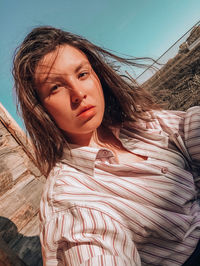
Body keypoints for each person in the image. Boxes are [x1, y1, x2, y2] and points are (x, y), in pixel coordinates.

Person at [13, 26, 200, 266]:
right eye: (55, 88)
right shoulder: (68, 199)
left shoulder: (141, 123)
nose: (78, 93)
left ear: (98, 76)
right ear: (41, 110)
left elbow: (189, 128)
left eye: (82, 74)